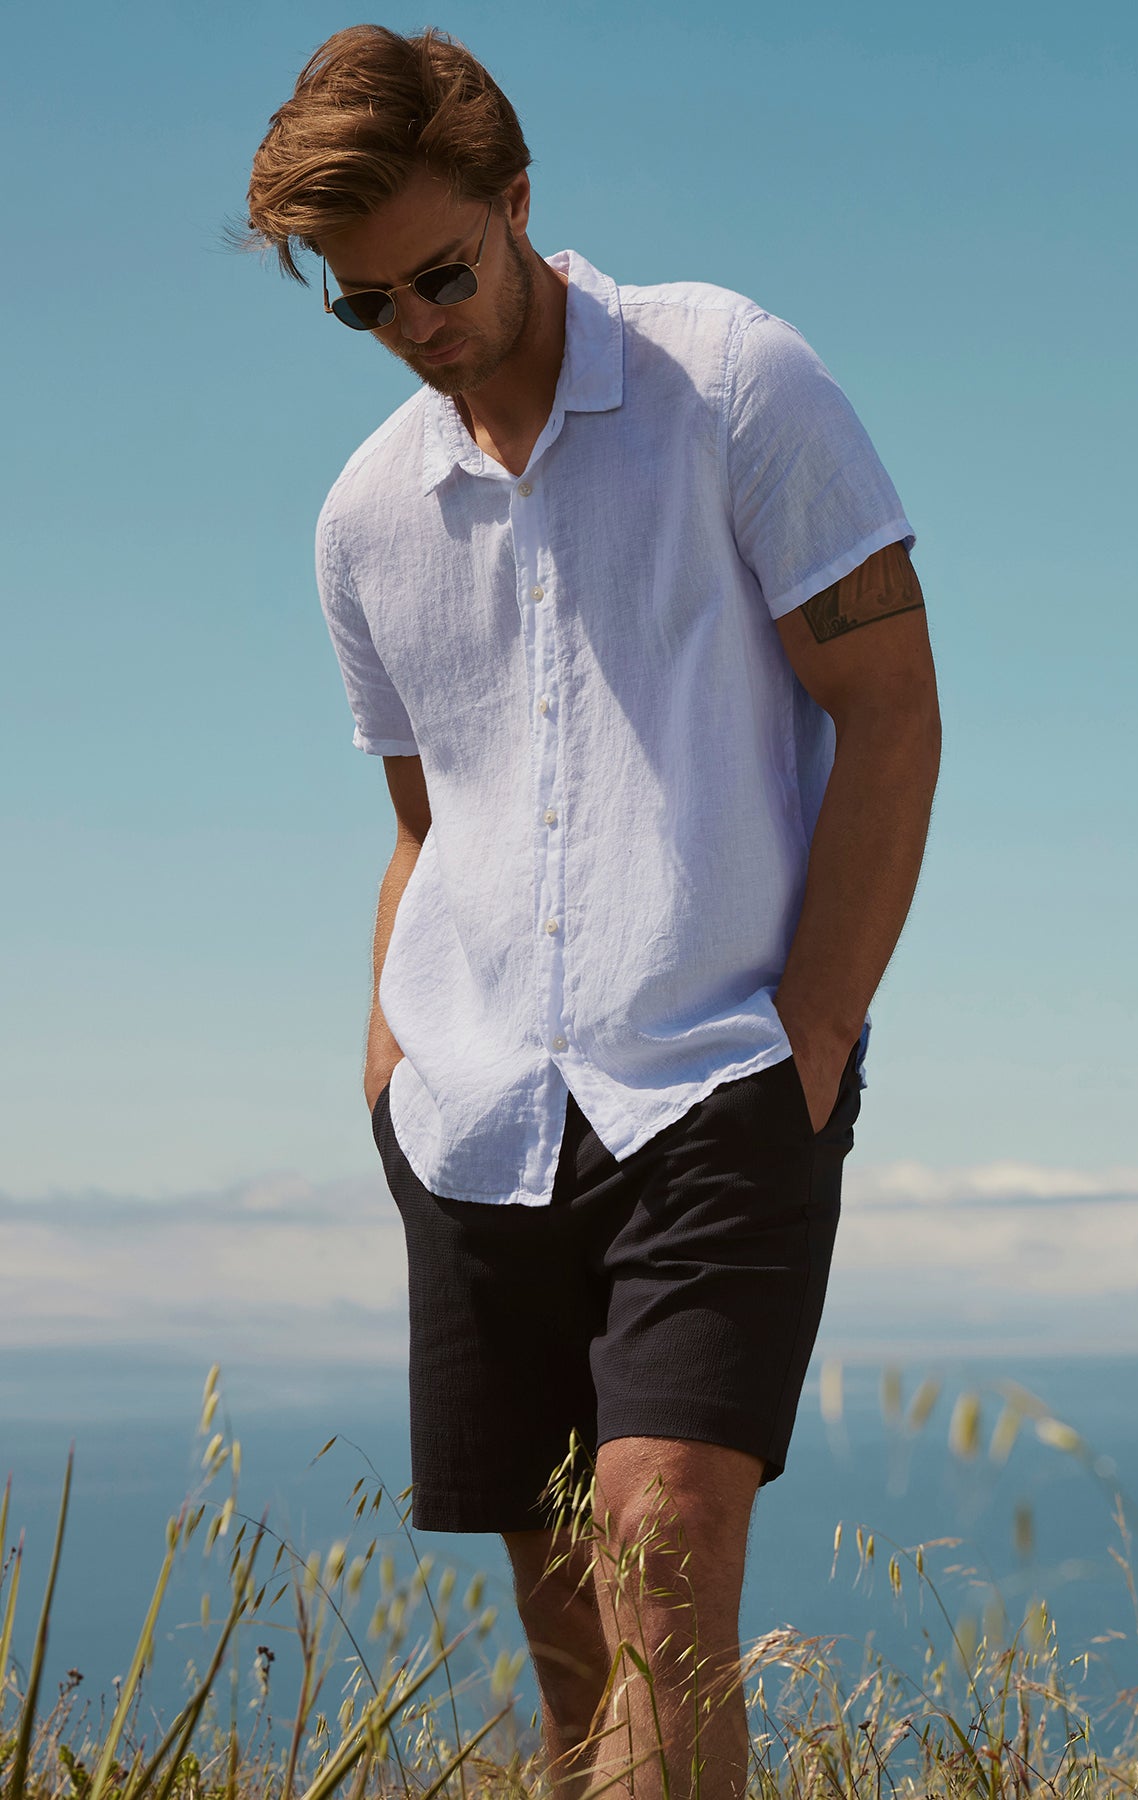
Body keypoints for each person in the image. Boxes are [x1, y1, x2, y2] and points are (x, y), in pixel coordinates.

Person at [245, 25, 940, 1799]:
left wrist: (821, 1030)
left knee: (667, 1570)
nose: (415, 328)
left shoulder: (732, 379)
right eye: (364, 304)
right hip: (473, 1120)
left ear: (518, 197)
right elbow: (424, 819)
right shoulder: (362, 524)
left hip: (716, 1076)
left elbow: (891, 707)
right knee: (571, 1671)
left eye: (442, 273)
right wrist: (391, 1063)